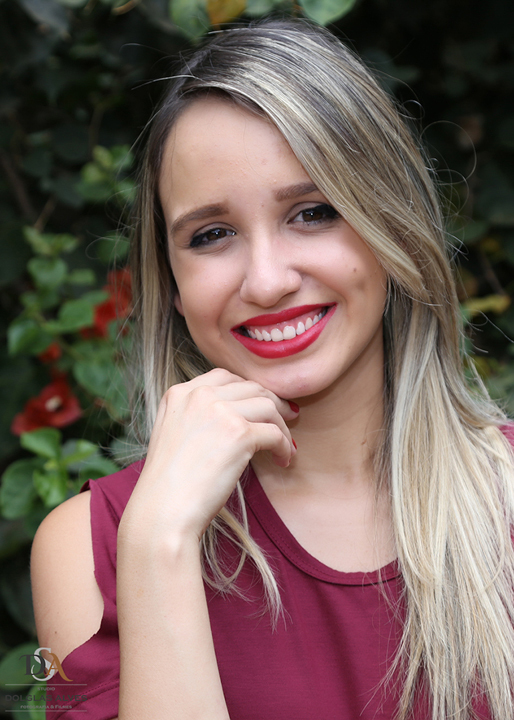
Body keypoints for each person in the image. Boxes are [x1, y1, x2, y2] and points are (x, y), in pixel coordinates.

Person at [30, 18, 514, 720]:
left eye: (312, 213)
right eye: (212, 234)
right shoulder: (91, 546)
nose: (265, 281)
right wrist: (160, 543)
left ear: (393, 226)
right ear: (171, 283)